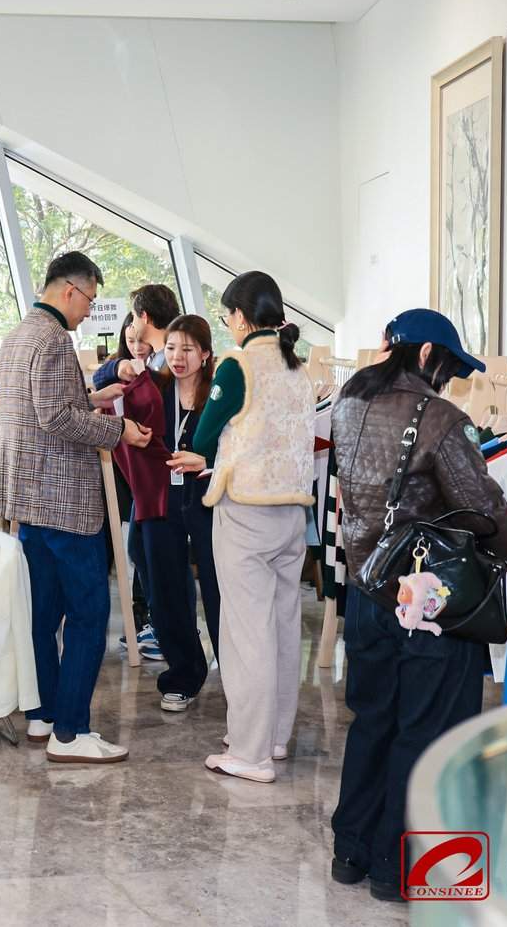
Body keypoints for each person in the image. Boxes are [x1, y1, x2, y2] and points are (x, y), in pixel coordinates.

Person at [328, 308, 507, 903]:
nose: (448, 379)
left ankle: (351, 852)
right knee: (425, 733)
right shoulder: (443, 420)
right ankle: (397, 871)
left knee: (373, 722)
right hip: (430, 605)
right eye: (447, 367)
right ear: (426, 355)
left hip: (368, 594)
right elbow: (485, 511)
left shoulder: (347, 403)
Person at [0, 251, 151, 764]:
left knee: (42, 613)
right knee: (88, 613)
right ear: (69, 290)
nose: (88, 312)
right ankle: (71, 732)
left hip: (30, 499)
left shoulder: (18, 336)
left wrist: (91, 398)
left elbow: (42, 407)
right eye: (89, 300)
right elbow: (57, 419)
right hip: (65, 501)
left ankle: (42, 715)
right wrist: (118, 428)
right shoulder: (56, 339)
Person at [180, 271, 314, 784]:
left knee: (245, 633)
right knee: (282, 626)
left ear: (239, 316)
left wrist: (207, 452)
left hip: (247, 510)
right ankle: (275, 737)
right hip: (292, 512)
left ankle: (250, 752)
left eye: (226, 316)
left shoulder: (238, 365)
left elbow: (204, 435)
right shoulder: (298, 367)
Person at [126, 315, 217, 711]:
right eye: (172, 348)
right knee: (165, 590)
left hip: (208, 497)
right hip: (161, 499)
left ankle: (238, 674)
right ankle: (183, 674)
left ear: (206, 353)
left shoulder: (219, 396)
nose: (178, 357)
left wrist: (209, 460)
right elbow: (111, 394)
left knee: (219, 588)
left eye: (188, 349)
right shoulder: (156, 390)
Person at [91, 313, 154, 656]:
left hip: (147, 474)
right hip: (116, 471)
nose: (137, 347)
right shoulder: (118, 368)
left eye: (141, 340)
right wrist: (118, 367)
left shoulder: (160, 369)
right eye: (130, 341)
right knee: (119, 547)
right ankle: (128, 620)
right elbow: (98, 378)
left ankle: (146, 619)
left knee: (141, 550)